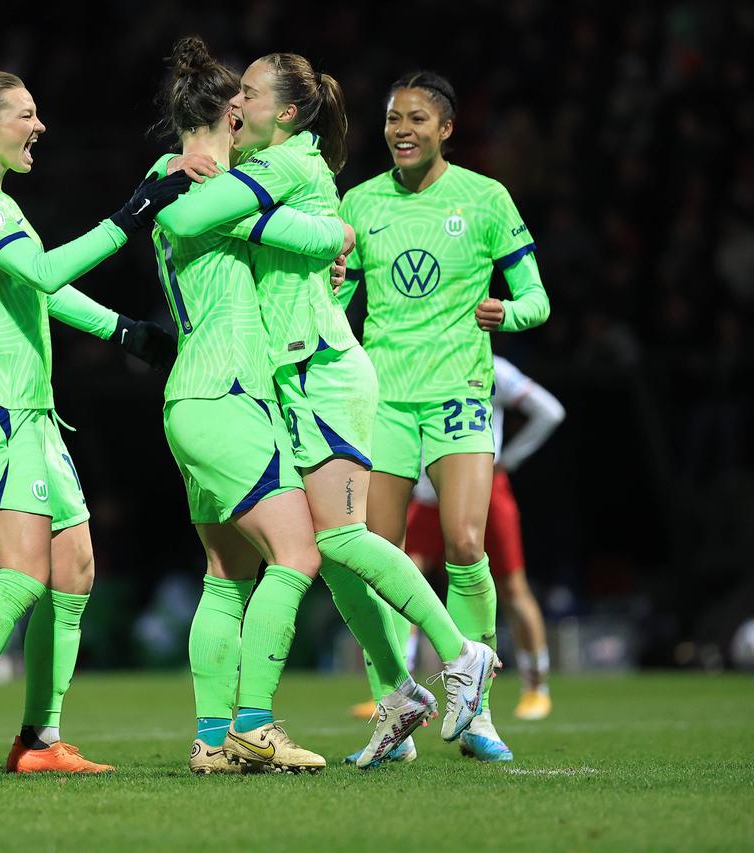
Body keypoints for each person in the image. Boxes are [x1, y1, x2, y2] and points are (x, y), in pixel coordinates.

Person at [154, 52, 499, 770]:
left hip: (322, 372)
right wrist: (323, 241)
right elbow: (306, 254)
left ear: (285, 113)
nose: (237, 106)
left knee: (337, 541)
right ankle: (400, 692)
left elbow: (187, 219)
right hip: (294, 373)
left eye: (249, 94)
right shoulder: (284, 170)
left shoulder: (280, 168)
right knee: (326, 556)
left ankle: (462, 654)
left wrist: (284, 228)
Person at [0, 71, 189, 778]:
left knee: (73, 570)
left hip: (30, 408)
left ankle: (39, 738)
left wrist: (122, 330)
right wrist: (131, 215)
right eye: (27, 114)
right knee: (23, 573)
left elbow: (41, 288)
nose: (41, 126)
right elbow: (39, 271)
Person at [148, 37, 352, 774]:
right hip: (230, 390)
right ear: (233, 113)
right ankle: (257, 725)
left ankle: (209, 741)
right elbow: (204, 220)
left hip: (190, 395)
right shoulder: (207, 184)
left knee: (226, 575)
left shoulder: (171, 175)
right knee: (298, 554)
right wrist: (335, 233)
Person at [336, 71, 551, 761]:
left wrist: (508, 312)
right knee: (379, 558)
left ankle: (478, 708)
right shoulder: (361, 202)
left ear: (447, 128)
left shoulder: (486, 199)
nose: (402, 130)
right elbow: (335, 303)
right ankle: (395, 709)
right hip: (384, 400)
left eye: (418, 119)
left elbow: (536, 297)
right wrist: (333, 296)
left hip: (459, 392)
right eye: (394, 118)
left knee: (464, 543)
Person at [402, 356, 565, 720]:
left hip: (483, 485)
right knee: (404, 585)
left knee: (512, 587)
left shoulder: (492, 366)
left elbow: (550, 411)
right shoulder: (418, 358)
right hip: (429, 491)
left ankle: (537, 687)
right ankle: (399, 687)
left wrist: (510, 458)